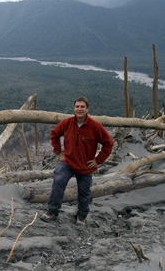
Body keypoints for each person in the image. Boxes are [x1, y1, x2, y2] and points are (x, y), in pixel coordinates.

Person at [40, 96, 114, 225]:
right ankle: (52, 211)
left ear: (87, 109)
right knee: (58, 180)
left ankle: (81, 216)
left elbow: (109, 143)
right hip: (68, 162)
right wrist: (58, 152)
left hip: (86, 165)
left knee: (84, 191)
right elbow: (54, 134)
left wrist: (98, 160)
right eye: (77, 107)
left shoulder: (95, 126)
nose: (79, 109)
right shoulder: (67, 123)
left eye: (82, 107)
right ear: (74, 108)